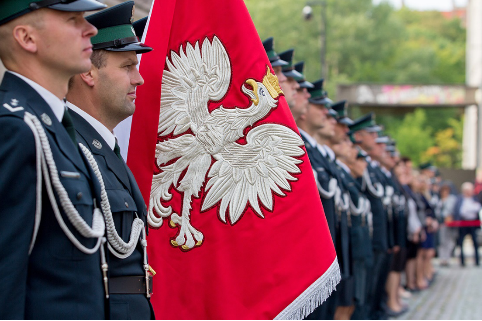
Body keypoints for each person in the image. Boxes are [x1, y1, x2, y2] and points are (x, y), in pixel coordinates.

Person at [0, 0, 110, 319]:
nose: (90, 28)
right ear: (27, 38)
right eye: (73, 19)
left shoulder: (57, 127)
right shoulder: (15, 129)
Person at [66, 2, 154, 319]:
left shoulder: (104, 147)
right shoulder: (71, 148)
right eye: (127, 66)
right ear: (89, 72)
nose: (139, 79)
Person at [453, 182, 481, 266]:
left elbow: (477, 208)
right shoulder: (459, 199)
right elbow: (460, 211)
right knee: (461, 243)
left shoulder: (475, 199)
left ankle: (477, 261)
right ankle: (462, 261)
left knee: (475, 242)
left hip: (473, 223)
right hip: (463, 223)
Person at [436, 183, 457, 267]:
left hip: (450, 223)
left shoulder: (452, 199)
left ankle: (447, 258)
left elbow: (453, 210)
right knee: (441, 241)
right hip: (440, 223)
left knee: (450, 241)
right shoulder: (438, 199)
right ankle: (442, 258)